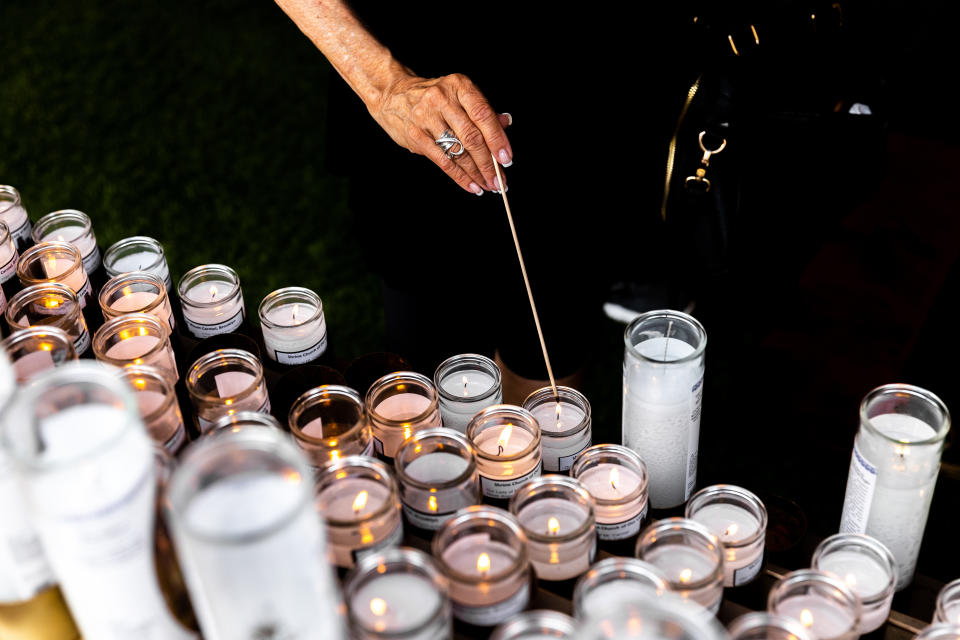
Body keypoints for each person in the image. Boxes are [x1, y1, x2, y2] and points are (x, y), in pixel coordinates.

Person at [273, 1, 690, 399]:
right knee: (433, 373)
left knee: (547, 373)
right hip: (421, 112)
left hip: (578, 111)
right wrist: (386, 85)